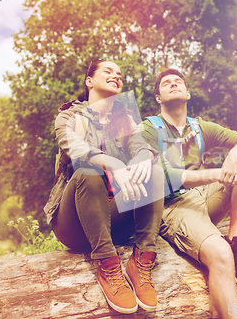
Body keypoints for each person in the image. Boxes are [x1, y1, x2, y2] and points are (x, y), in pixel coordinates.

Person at [43, 60, 164, 314]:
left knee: (153, 168)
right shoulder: (68, 117)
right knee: (89, 169)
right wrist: (113, 164)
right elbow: (77, 151)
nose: (116, 76)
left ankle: (141, 262)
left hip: (114, 220)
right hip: (74, 226)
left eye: (119, 74)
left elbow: (141, 144)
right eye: (108, 71)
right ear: (90, 81)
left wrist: (143, 154)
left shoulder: (125, 119)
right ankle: (108, 265)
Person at [140, 69, 237, 318]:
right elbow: (164, 178)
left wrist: (234, 154)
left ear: (187, 93)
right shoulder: (148, 129)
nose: (173, 84)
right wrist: (218, 172)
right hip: (172, 206)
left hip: (203, 197)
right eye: (166, 83)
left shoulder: (199, 126)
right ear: (159, 98)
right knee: (220, 254)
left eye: (178, 82)